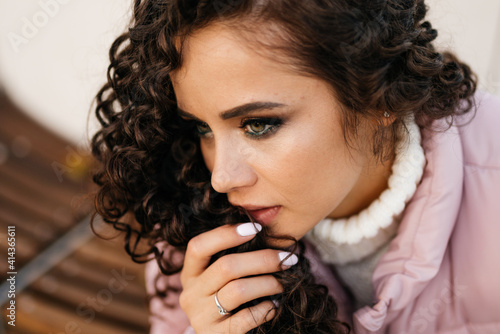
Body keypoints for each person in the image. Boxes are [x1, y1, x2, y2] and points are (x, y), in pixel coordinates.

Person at [90, 0, 500, 333]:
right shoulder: (191, 214)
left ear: (378, 94)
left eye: (258, 124)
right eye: (202, 127)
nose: (222, 177)